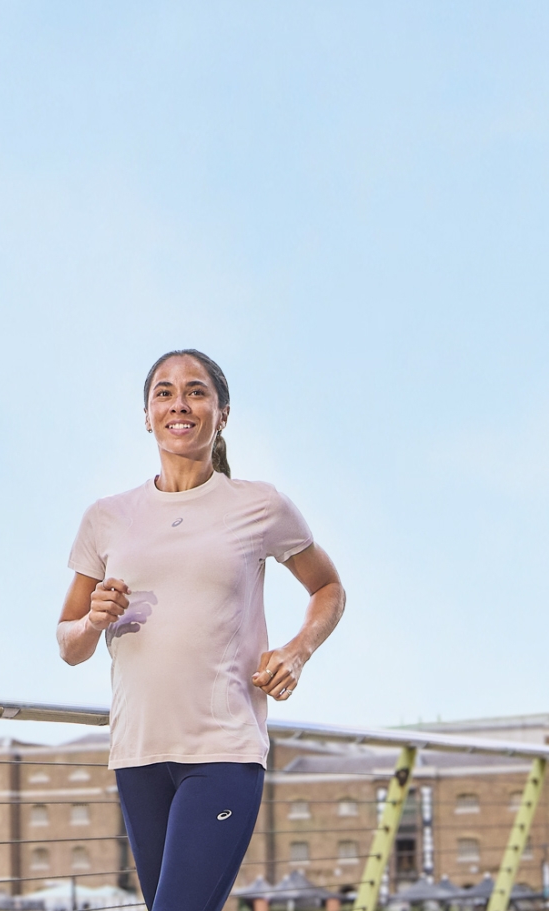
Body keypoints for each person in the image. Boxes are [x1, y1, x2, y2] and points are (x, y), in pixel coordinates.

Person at [57, 349, 345, 911]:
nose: (179, 403)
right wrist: (94, 618)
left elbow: (328, 588)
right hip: (137, 755)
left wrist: (297, 650)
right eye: (163, 392)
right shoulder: (106, 517)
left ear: (222, 413)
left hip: (222, 751)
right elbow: (68, 645)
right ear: (146, 414)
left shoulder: (259, 505)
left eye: (195, 391)